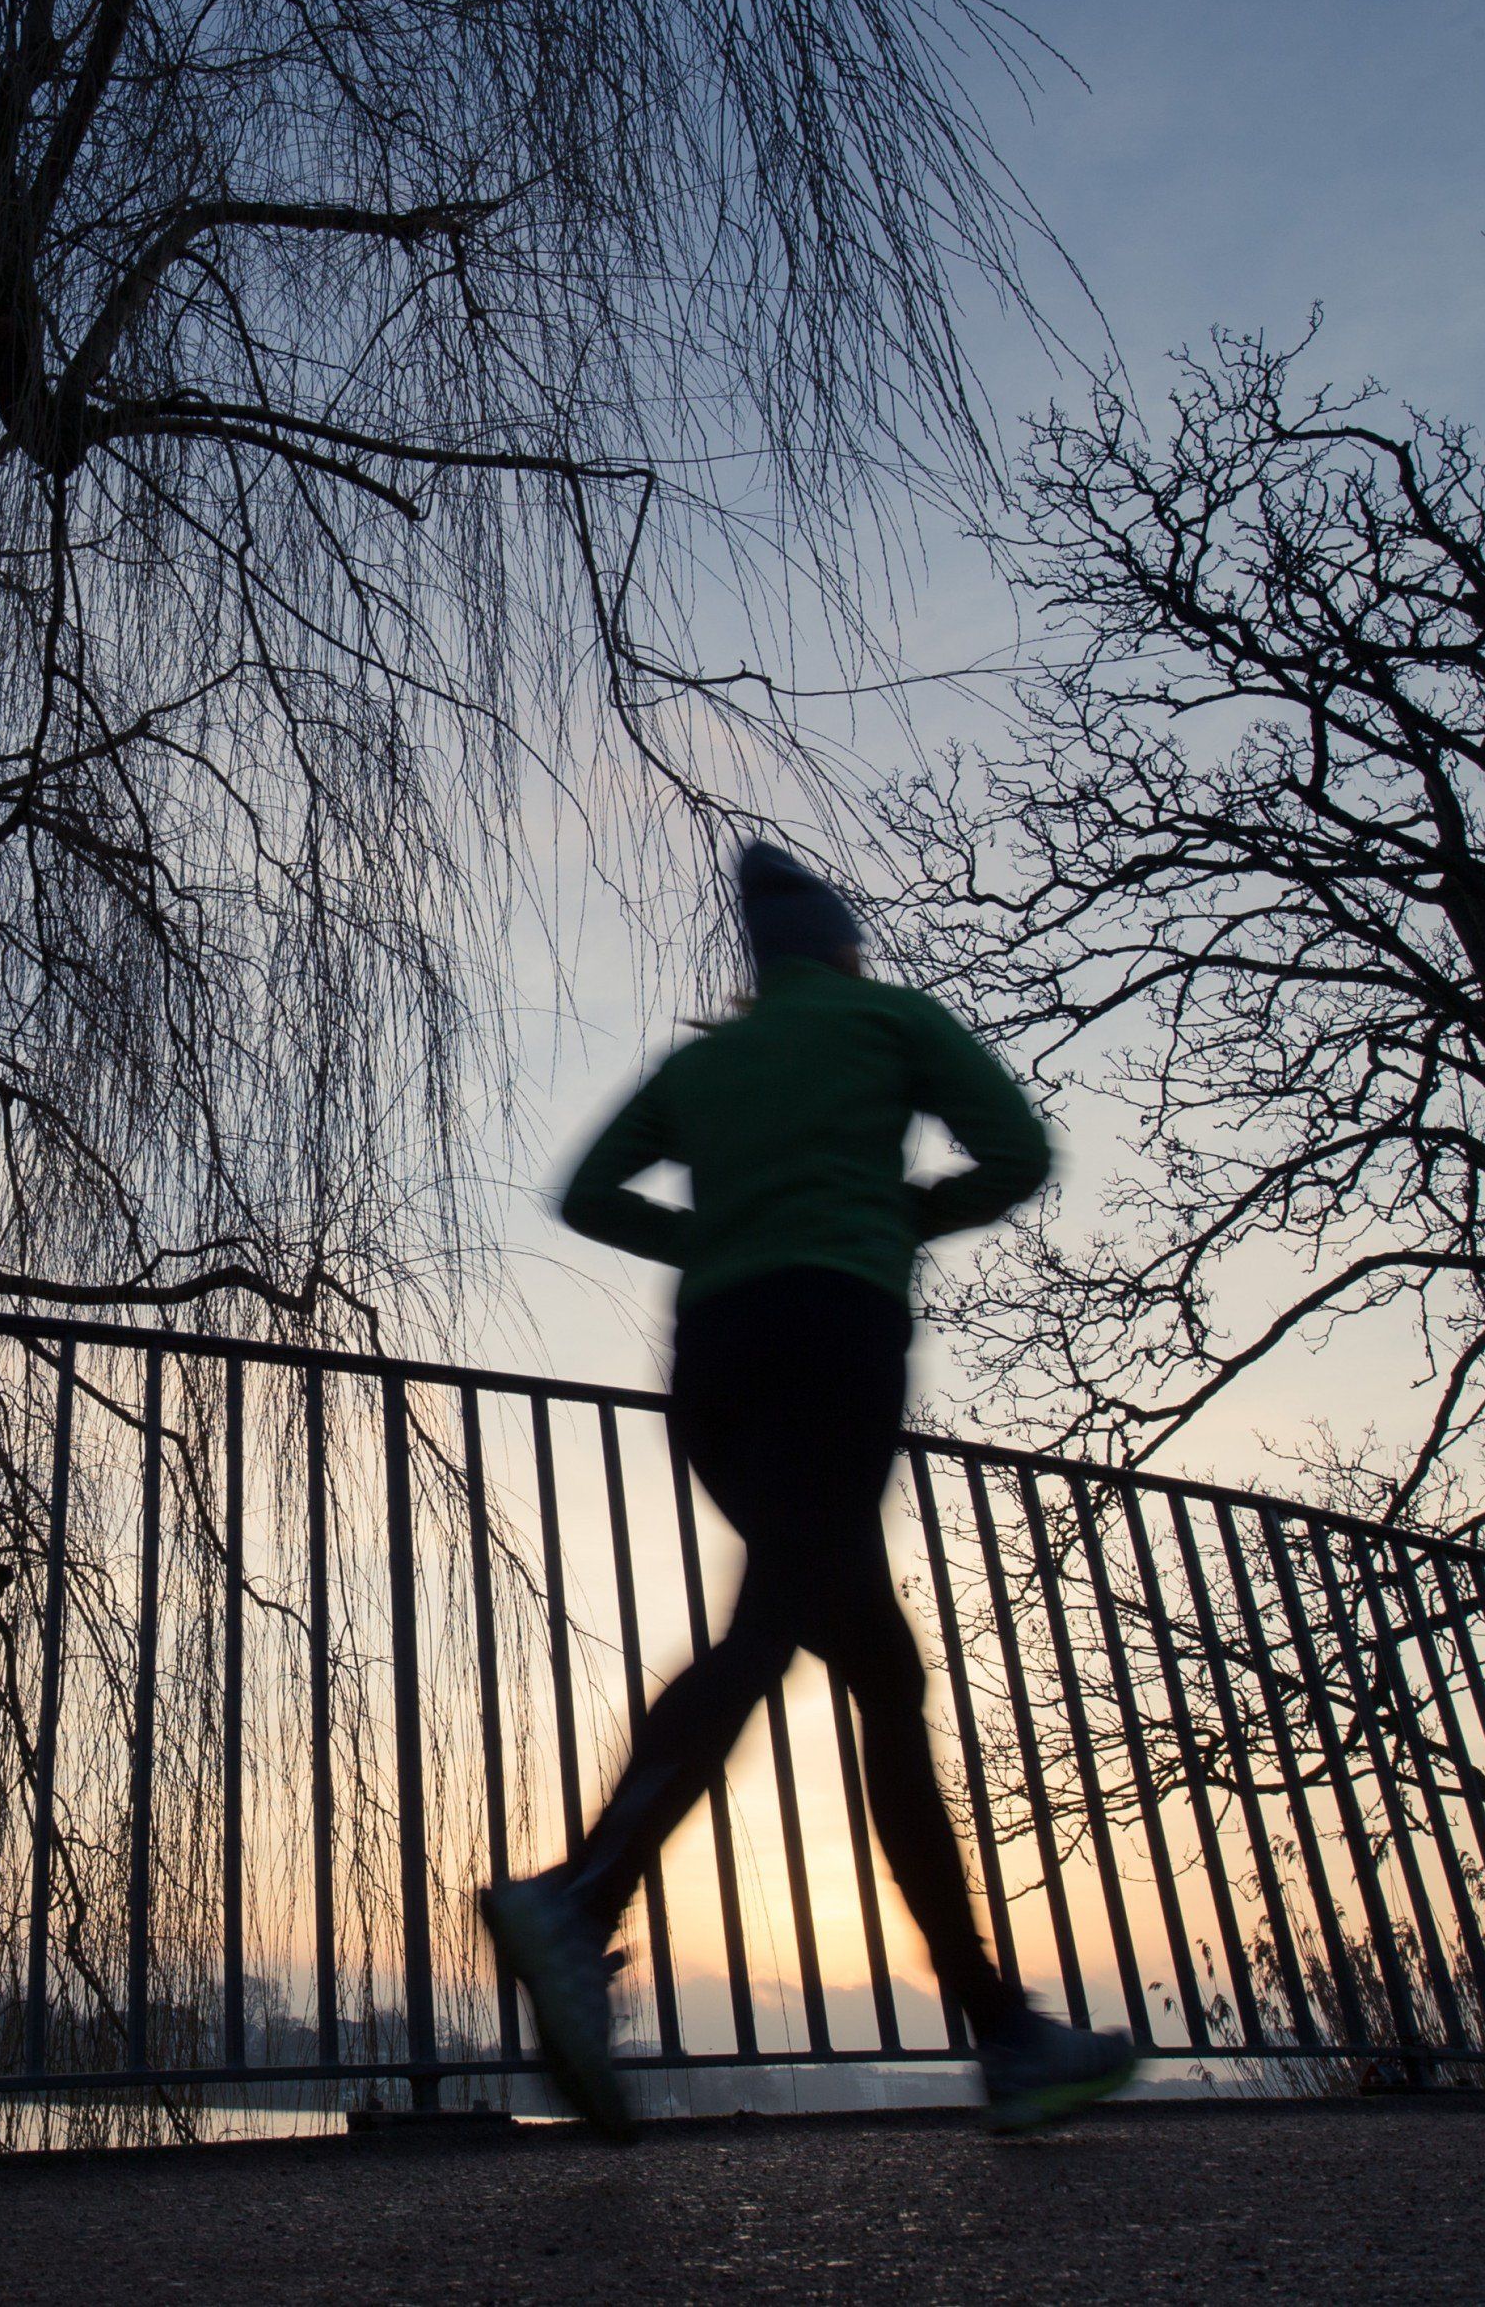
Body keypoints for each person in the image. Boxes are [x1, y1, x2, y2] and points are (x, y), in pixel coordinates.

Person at [483, 841, 1138, 2139]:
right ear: (841, 944)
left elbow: (584, 1193)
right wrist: (891, 1217)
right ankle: (581, 1889)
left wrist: (715, 1236)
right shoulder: (893, 1019)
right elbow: (1014, 1154)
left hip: (716, 1360)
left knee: (873, 1667)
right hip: (835, 1335)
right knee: (781, 1625)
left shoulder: (702, 1063)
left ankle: (1003, 2030)